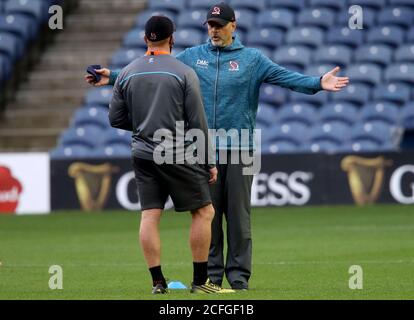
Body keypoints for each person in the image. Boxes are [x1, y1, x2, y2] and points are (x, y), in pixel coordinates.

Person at [86, 3, 349, 290]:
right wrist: (111, 76)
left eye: (220, 25)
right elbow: (154, 68)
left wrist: (317, 83)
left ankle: (238, 279)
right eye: (210, 25)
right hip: (200, 147)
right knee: (207, 217)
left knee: (239, 218)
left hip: (243, 148)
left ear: (233, 26)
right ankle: (211, 278)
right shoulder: (191, 57)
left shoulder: (253, 59)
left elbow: (285, 77)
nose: (214, 30)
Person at [108, 15, 234, 294]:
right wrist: (208, 162)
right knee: (204, 211)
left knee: (150, 216)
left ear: (145, 39)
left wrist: (144, 124)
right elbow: (197, 122)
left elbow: (115, 118)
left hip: (141, 153)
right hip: (175, 151)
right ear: (172, 38)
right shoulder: (183, 72)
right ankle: (201, 282)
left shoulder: (127, 72)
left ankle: (157, 283)